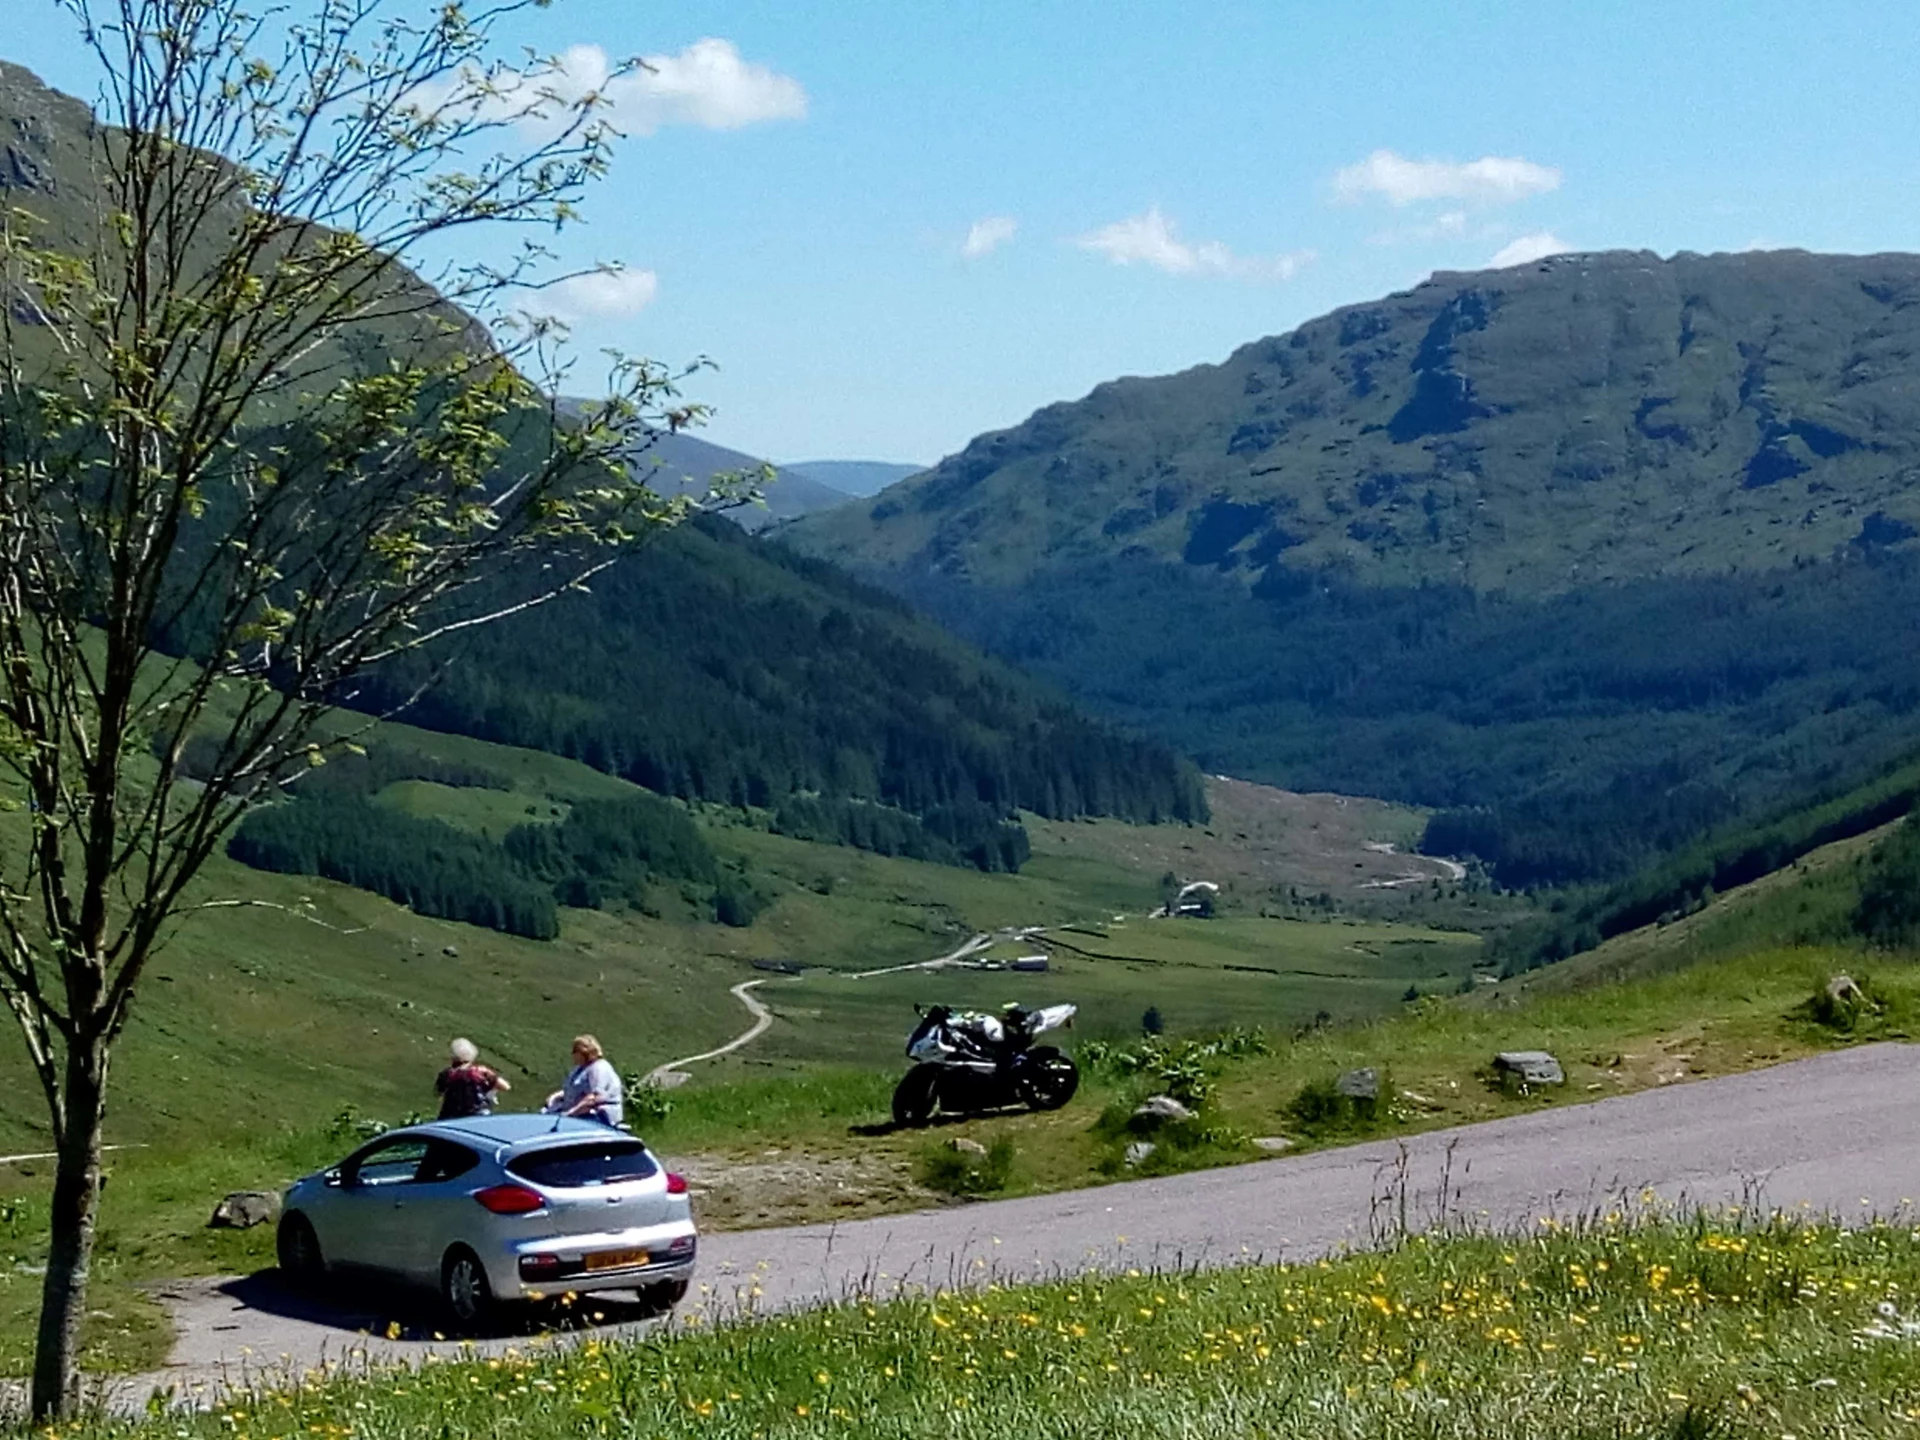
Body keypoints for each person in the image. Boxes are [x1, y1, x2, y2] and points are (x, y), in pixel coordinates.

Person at [543, 1034, 625, 1127]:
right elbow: (574, 1088)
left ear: (585, 1052)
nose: (572, 1054)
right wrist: (556, 1097)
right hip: (577, 1115)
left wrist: (570, 1113)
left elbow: (594, 1098)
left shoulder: (599, 1068)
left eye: (575, 1051)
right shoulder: (580, 1068)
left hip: (598, 1118)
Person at [435, 1037, 510, 1120]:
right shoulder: (480, 1072)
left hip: (451, 1117)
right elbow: (505, 1087)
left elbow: (438, 1093)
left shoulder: (446, 1074)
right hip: (478, 1115)